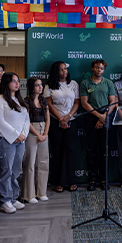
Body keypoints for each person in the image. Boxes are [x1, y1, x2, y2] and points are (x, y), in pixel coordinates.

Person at [0, 72, 30, 214]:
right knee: (5, 170)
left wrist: (23, 135)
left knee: (15, 170)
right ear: (6, 83)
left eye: (18, 81)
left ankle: (13, 197)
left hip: (20, 140)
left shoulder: (20, 100)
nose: (17, 83)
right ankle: (5, 200)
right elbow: (0, 122)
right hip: (4, 139)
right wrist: (15, 135)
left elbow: (26, 119)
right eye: (13, 81)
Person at [80, 59, 116, 191]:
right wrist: (98, 116)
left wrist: (104, 117)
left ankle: (103, 179)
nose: (99, 70)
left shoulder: (108, 83)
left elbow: (112, 102)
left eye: (101, 68)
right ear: (92, 69)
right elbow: (84, 103)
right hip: (90, 117)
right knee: (91, 150)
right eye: (96, 67)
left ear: (104, 70)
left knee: (104, 150)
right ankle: (92, 179)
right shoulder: (85, 83)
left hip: (106, 116)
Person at [44, 61, 79, 193]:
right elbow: (49, 104)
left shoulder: (73, 84)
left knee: (70, 150)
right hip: (55, 121)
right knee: (57, 151)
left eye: (65, 69)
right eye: (61, 69)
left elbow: (77, 102)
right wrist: (60, 119)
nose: (64, 71)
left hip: (72, 120)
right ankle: (58, 182)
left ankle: (70, 181)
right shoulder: (49, 85)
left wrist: (68, 116)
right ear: (55, 72)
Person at [22, 77, 50, 204]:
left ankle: (41, 192)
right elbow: (26, 121)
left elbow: (48, 118)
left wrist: (44, 134)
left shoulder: (43, 100)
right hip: (31, 130)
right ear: (31, 87)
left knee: (43, 162)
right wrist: (38, 135)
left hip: (43, 130)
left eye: (41, 85)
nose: (40, 87)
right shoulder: (26, 101)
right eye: (37, 85)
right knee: (30, 162)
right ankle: (29, 194)